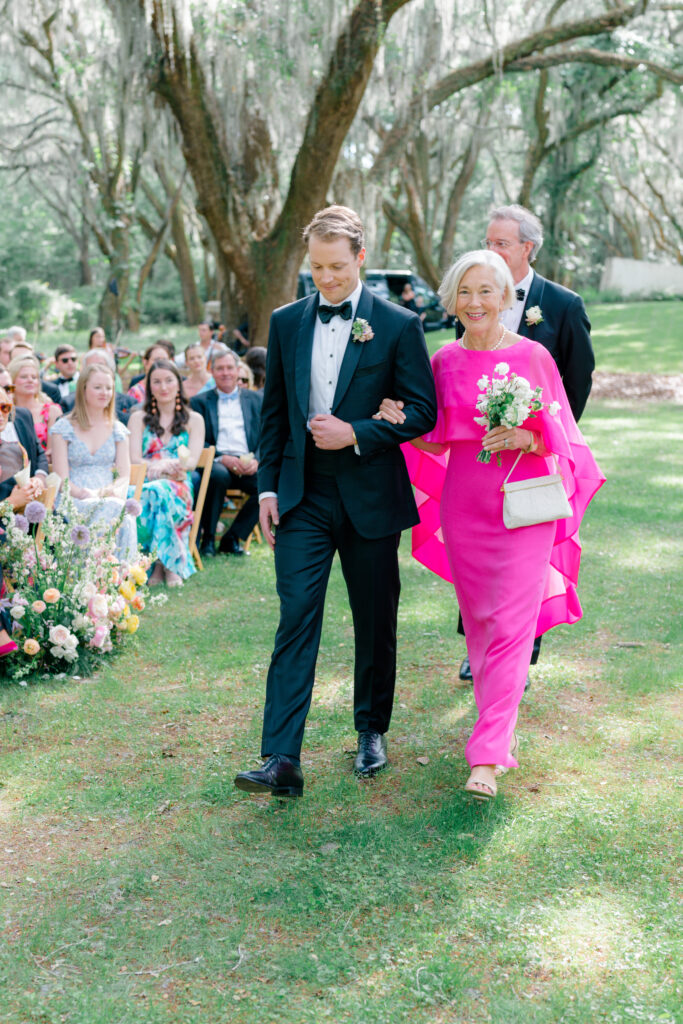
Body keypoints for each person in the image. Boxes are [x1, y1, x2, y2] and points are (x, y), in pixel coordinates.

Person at [377, 250, 604, 801]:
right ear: (452, 301)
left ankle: (486, 757)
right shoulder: (443, 363)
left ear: (505, 298)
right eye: (465, 292)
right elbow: (433, 437)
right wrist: (397, 422)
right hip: (466, 507)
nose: (475, 302)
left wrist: (527, 437)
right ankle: (494, 726)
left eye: (487, 291)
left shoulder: (533, 358)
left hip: (523, 504)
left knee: (511, 624)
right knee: (479, 620)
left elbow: (563, 432)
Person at [233, 205, 437, 799]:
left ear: (361, 258)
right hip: (302, 496)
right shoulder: (288, 322)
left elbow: (423, 410)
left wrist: (358, 433)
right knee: (296, 615)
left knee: (375, 617)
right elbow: (273, 417)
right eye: (317, 268)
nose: (327, 279)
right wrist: (268, 487)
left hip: (371, 493)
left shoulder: (397, 324)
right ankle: (281, 759)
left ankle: (371, 730)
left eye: (337, 267)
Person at [455, 203, 597, 685]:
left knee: (524, 556)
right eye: (487, 240)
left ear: (526, 248)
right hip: (477, 461)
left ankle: (521, 647)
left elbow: (575, 384)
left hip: (536, 454)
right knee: (476, 558)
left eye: (500, 243)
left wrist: (544, 439)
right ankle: (477, 647)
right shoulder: (472, 301)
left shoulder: (562, 304)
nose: (490, 249)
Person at [49, 363, 138, 562]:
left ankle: (119, 575)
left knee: (120, 510)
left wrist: (109, 491)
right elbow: (61, 478)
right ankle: (81, 575)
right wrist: (84, 494)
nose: (104, 393)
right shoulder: (63, 427)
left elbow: (124, 476)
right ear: (83, 389)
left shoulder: (118, 429)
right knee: (97, 508)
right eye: (97, 387)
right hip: (72, 496)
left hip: (108, 494)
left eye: (108, 388)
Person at [128, 359, 205, 586]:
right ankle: (165, 565)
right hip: (145, 482)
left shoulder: (194, 419)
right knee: (150, 492)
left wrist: (168, 466)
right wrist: (156, 467)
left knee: (160, 491)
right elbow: (133, 458)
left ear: (178, 384)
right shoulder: (137, 418)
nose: (163, 387)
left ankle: (163, 567)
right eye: (157, 382)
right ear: (149, 386)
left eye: (169, 381)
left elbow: (191, 460)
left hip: (178, 484)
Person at [190, 349, 261, 557]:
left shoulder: (256, 399)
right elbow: (196, 440)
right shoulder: (199, 402)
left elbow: (269, 435)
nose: (225, 373)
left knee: (271, 482)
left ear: (238, 370)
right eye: (220, 368)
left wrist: (257, 459)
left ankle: (232, 538)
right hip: (218, 460)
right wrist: (221, 457)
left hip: (248, 461)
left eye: (230, 368)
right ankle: (208, 540)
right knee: (217, 475)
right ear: (211, 371)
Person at [61, 350, 137, 424]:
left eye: (101, 366)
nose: (97, 371)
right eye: (91, 367)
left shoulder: (129, 403)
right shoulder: (68, 403)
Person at [8, 356, 62, 457]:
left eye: (34, 377)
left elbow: (53, 453)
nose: (30, 380)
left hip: (45, 469)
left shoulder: (52, 411)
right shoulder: (6, 411)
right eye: (24, 377)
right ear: (12, 381)